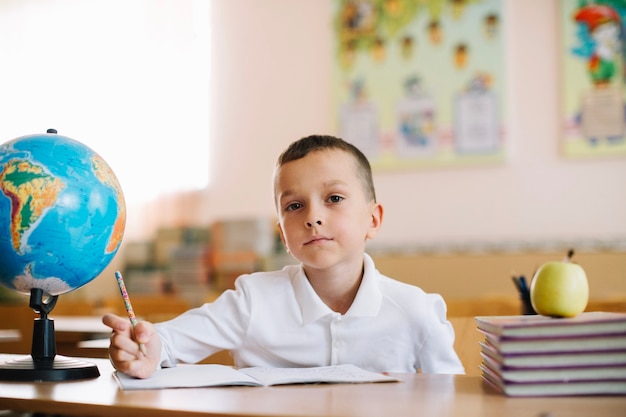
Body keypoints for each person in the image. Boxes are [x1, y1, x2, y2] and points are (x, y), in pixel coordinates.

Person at [103, 134, 464, 378]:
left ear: (373, 219)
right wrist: (145, 349)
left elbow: (453, 402)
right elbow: (167, 342)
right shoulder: (253, 300)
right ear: (283, 234)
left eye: (334, 198)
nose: (312, 216)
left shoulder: (417, 311)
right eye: (294, 206)